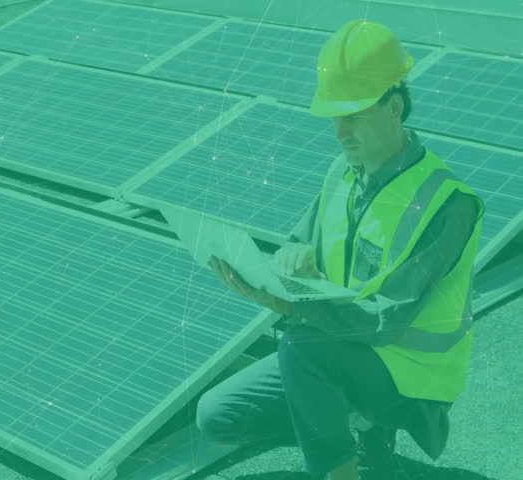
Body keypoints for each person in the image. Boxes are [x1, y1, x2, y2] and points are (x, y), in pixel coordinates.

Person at [197, 19, 484, 480]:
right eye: (335, 116)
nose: (338, 132)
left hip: (410, 375)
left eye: (352, 115)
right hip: (341, 349)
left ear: (394, 107)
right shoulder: (342, 174)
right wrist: (284, 264)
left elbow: (382, 319)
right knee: (218, 415)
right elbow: (299, 242)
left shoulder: (446, 204)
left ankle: (341, 468)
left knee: (301, 347)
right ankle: (357, 430)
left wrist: (286, 303)